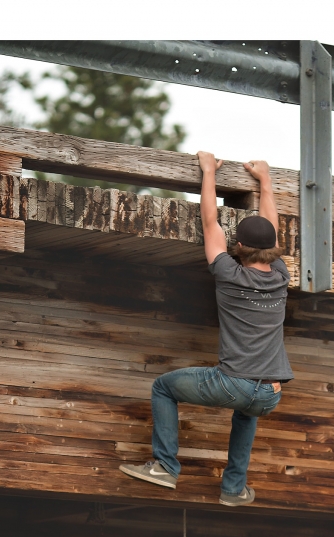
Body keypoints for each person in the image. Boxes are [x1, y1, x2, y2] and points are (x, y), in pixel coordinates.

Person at [119, 151, 292, 507]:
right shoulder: (280, 277)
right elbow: (270, 226)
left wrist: (209, 171)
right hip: (270, 393)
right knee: (248, 412)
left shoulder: (229, 273)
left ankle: (165, 467)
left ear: (239, 247)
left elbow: (209, 221)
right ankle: (233, 490)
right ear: (273, 249)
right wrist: (265, 181)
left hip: (233, 383)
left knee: (163, 387)